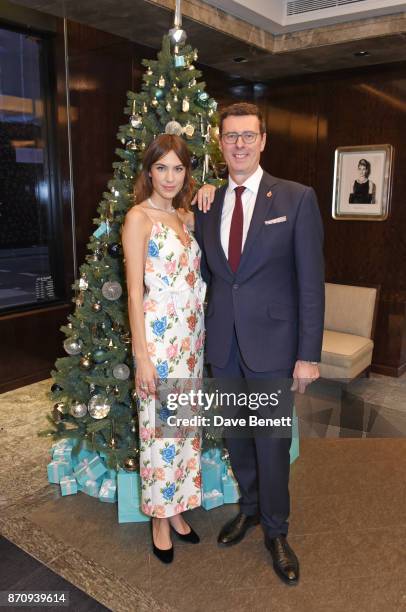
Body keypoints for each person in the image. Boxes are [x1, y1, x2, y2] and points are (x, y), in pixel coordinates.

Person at [194, 102, 325, 586]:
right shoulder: (206, 204)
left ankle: (276, 531)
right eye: (231, 136)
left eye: (248, 136)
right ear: (220, 142)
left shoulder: (295, 198)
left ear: (263, 140)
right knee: (237, 439)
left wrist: (307, 354)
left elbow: (311, 283)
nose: (240, 144)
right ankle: (248, 509)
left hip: (273, 346)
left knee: (271, 443)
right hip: (223, 345)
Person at [122, 134, 208, 564]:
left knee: (183, 432)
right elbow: (134, 294)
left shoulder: (184, 217)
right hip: (159, 342)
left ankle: (177, 511)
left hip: (191, 341)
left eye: (178, 168)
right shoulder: (139, 218)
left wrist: (211, 189)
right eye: (162, 168)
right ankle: (159, 517)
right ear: (149, 171)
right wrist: (142, 356)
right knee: (160, 434)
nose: (170, 177)